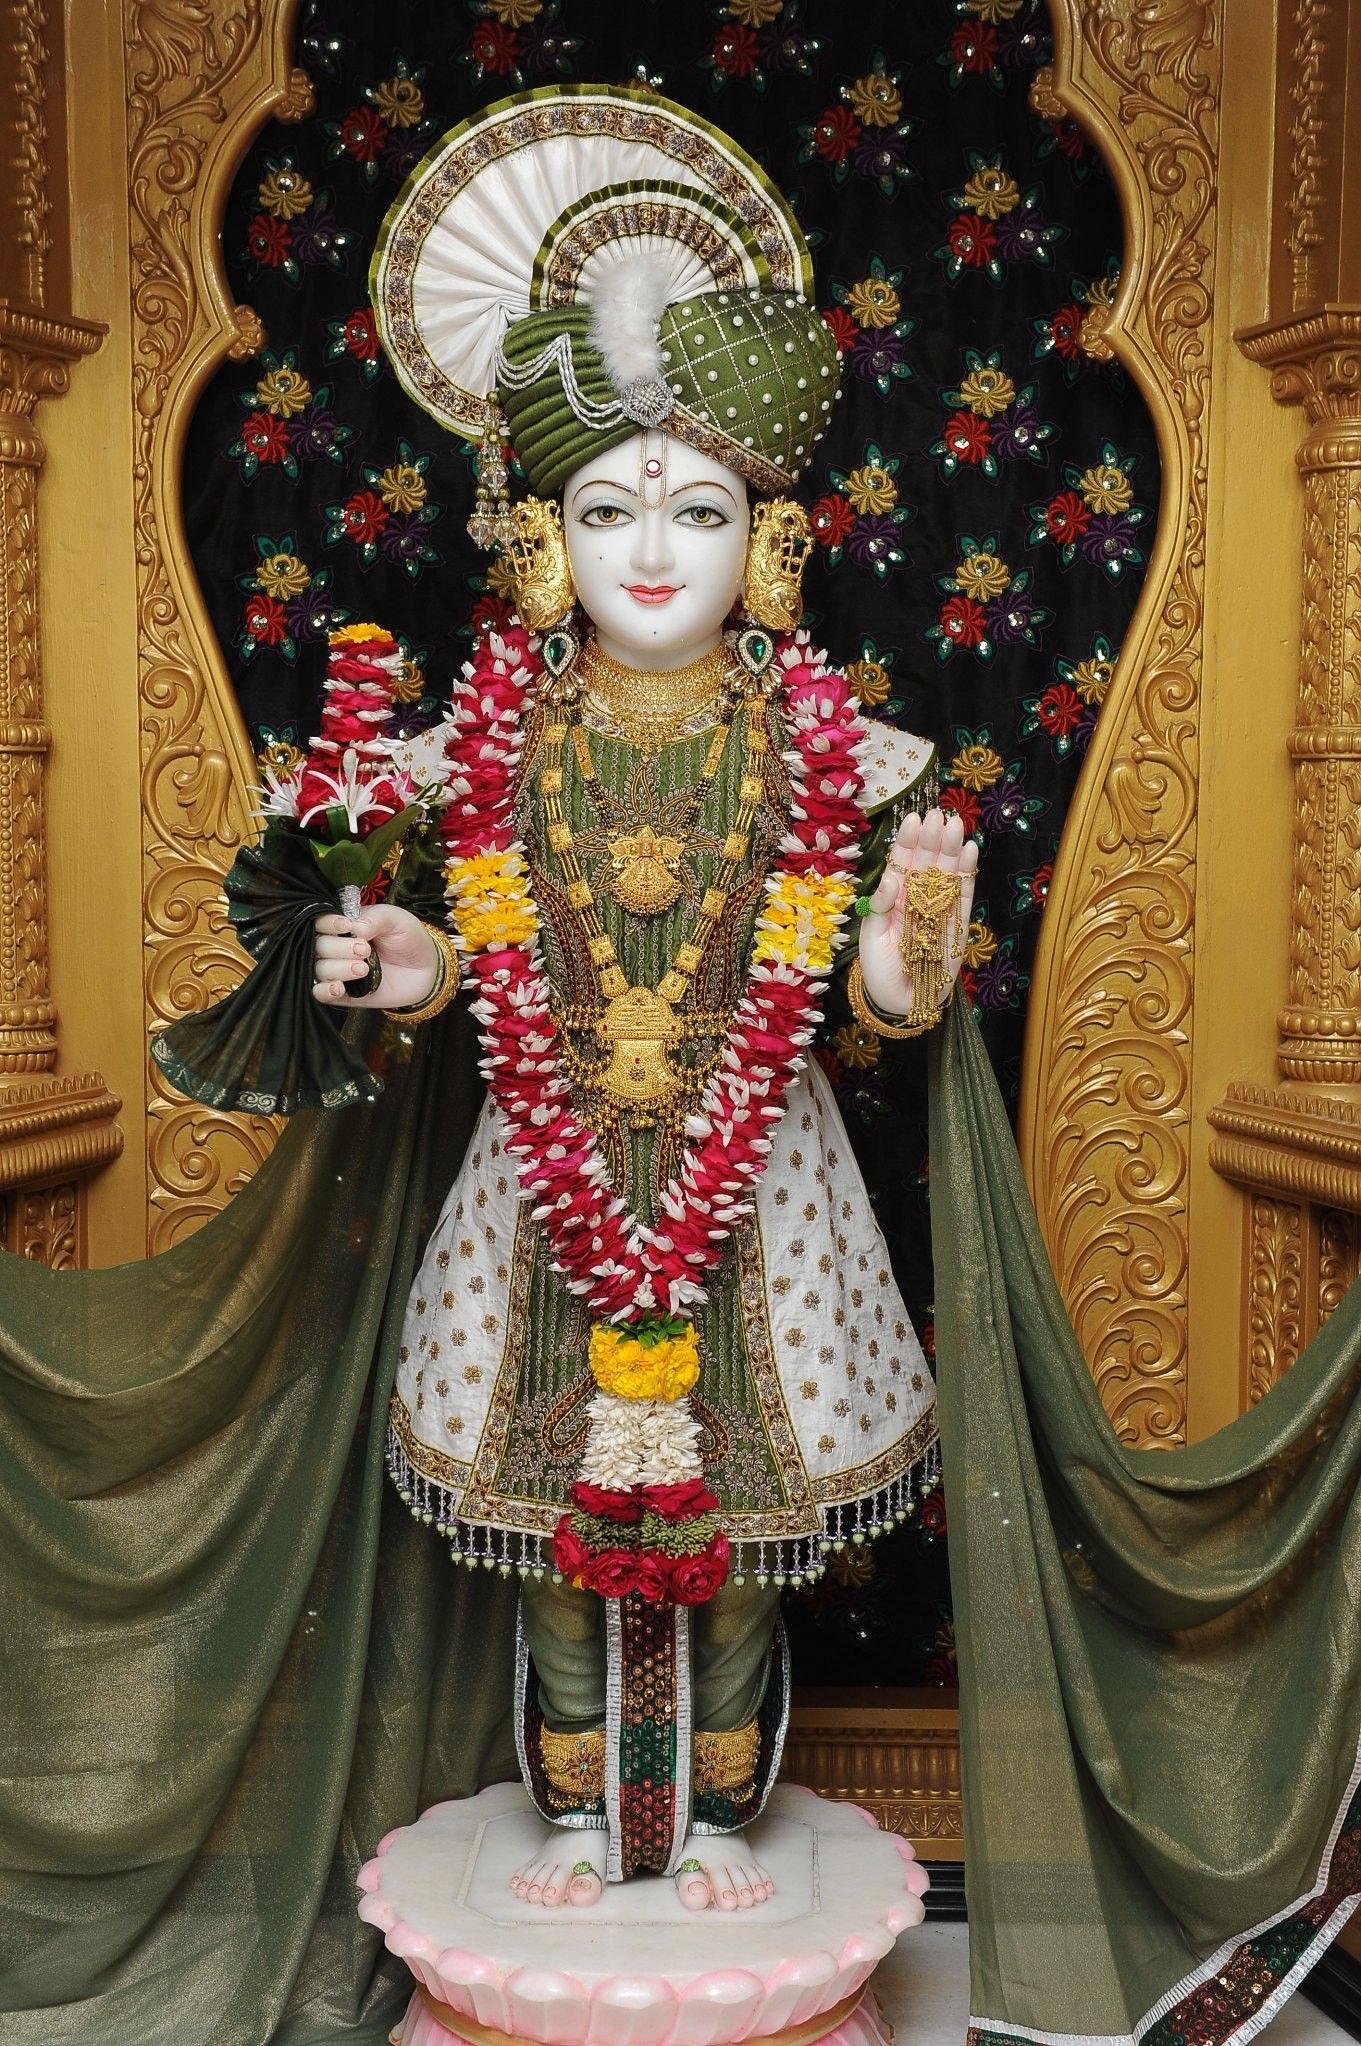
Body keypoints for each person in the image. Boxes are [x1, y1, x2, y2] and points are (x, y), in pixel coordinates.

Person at [298, 84, 978, 1913]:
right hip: (547, 1180)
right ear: (541, 545)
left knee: (742, 1533)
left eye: (693, 505)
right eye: (605, 508)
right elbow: (460, 953)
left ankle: (722, 1825)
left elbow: (871, 997)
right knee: (546, 1522)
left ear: (763, 534)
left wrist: (910, 950)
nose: (651, 548)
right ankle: (589, 1813)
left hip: (760, 1182)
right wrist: (402, 961)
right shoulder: (484, 749)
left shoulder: (839, 749)